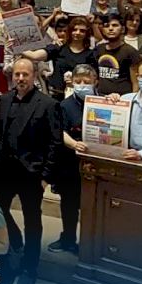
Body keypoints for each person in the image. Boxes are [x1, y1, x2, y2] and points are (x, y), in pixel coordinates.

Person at [0, 58, 58, 284]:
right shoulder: (5, 99)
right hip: (3, 171)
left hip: (31, 174)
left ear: (34, 76)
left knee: (33, 222)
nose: (20, 78)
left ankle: (30, 267)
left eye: (25, 74)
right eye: (17, 74)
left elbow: (55, 143)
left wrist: (46, 176)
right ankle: (12, 249)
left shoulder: (47, 104)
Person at [51, 64, 97, 253]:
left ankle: (91, 245)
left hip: (97, 163)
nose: (82, 84)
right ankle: (68, 238)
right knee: (69, 202)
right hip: (70, 161)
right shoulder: (65, 105)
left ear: (95, 82)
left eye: (87, 81)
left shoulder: (103, 102)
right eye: (78, 81)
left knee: (93, 206)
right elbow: (59, 132)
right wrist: (74, 144)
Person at [27, 16, 97, 99]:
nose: (77, 33)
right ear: (70, 31)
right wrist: (15, 47)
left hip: (79, 97)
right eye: (74, 29)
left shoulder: (91, 54)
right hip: (56, 95)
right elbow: (34, 56)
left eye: (82, 31)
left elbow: (94, 80)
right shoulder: (58, 48)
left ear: (87, 33)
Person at [92, 12, 141, 96]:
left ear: (123, 29)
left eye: (115, 25)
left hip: (123, 98)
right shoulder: (99, 49)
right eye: (107, 26)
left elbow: (135, 82)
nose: (110, 28)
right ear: (103, 30)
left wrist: (132, 100)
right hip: (101, 97)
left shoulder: (130, 51)